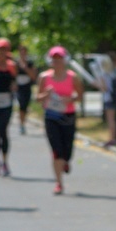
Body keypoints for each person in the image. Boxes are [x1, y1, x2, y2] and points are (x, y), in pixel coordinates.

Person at [36, 46, 83, 194]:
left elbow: (80, 96)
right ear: (50, 61)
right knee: (56, 149)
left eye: (60, 59)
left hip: (68, 116)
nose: (57, 62)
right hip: (51, 116)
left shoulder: (72, 77)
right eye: (54, 59)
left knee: (67, 149)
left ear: (65, 60)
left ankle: (66, 161)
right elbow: (38, 98)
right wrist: (46, 94)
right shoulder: (44, 77)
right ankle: (59, 183)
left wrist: (71, 99)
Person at [0, 38, 18, 176]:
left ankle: (5, 162)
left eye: (4, 49)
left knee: (3, 130)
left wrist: (14, 86)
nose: (2, 52)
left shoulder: (11, 65)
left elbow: (15, 81)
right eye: (0, 49)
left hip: (6, 103)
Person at [93, 54, 116, 147]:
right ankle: (113, 138)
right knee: (112, 119)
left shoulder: (104, 74)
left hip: (109, 99)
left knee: (111, 120)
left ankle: (112, 139)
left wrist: (96, 84)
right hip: (112, 98)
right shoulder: (112, 73)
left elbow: (104, 88)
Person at [14, 44, 38, 135]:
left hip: (27, 87)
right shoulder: (15, 63)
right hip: (18, 88)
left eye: (24, 52)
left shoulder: (30, 63)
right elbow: (13, 75)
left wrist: (25, 67)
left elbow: (33, 76)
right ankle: (21, 124)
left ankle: (23, 121)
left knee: (25, 106)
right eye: (21, 52)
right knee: (21, 104)